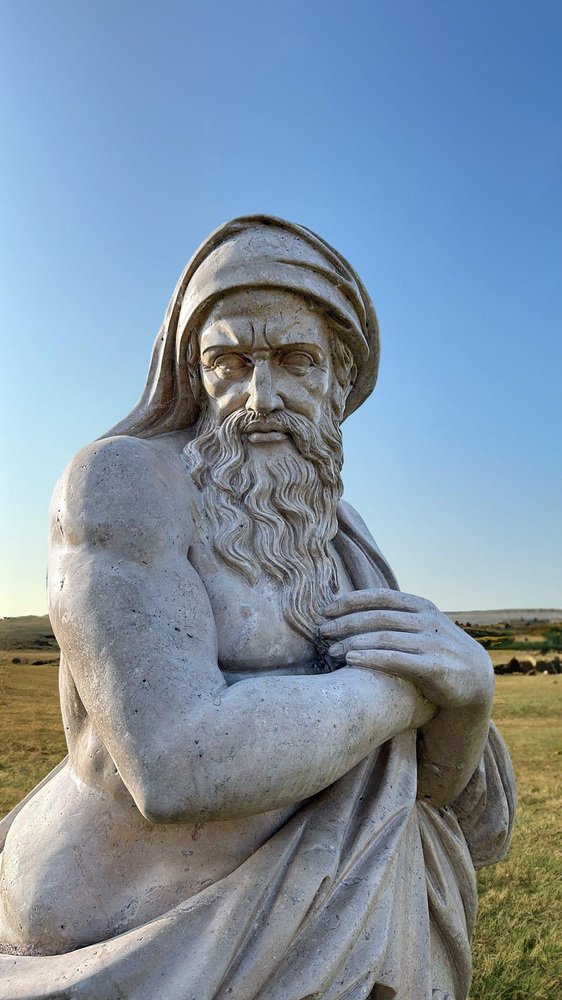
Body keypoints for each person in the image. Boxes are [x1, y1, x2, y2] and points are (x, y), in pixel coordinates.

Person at [0, 217, 514, 1000]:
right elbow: (171, 761)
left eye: (296, 361)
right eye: (228, 362)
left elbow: (454, 809)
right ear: (190, 375)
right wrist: (399, 692)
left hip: (313, 898)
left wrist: (469, 693)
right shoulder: (123, 484)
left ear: (340, 382)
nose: (260, 396)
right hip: (128, 937)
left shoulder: (339, 531)